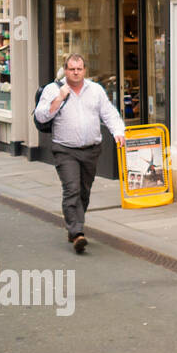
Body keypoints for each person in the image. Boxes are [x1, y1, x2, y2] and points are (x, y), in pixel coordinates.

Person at [34, 54, 126, 254]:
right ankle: (77, 233)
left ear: (85, 71)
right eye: (71, 69)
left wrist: (118, 131)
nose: (75, 72)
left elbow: (108, 113)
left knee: (84, 191)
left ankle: (74, 225)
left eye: (79, 69)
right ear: (65, 70)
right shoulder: (53, 89)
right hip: (65, 149)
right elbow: (41, 116)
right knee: (72, 189)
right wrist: (59, 98)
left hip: (91, 150)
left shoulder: (95, 90)